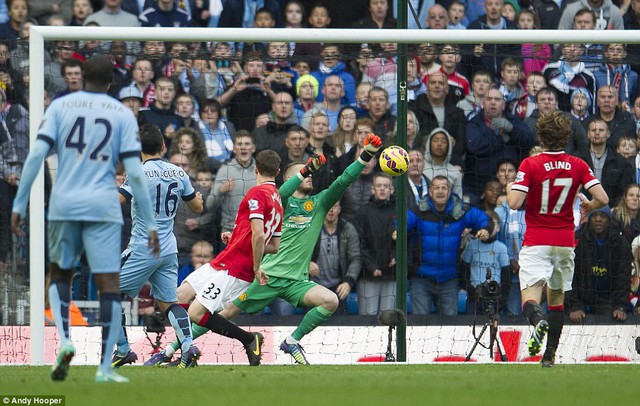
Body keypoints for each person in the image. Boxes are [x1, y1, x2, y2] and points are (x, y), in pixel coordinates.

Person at [10, 54, 160, 382]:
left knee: (60, 274)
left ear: (78, 78)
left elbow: (36, 154)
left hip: (64, 203)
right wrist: (149, 222)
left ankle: (65, 341)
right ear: (110, 82)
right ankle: (105, 367)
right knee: (108, 283)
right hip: (104, 205)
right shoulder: (121, 113)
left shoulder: (61, 106)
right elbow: (135, 174)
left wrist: (19, 204)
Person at [215, 133, 383, 365]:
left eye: (309, 172)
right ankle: (178, 345)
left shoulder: (319, 203)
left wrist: (366, 155)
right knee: (224, 315)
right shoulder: (277, 201)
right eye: (302, 173)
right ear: (288, 178)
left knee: (330, 301)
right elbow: (279, 194)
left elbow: (344, 180)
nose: (309, 175)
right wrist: (306, 169)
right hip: (267, 277)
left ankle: (292, 341)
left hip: (296, 282)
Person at [147, 151, 325, 366]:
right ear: (278, 172)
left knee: (195, 313)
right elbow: (273, 245)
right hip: (225, 259)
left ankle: (247, 339)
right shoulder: (278, 202)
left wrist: (257, 266)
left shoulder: (257, 194)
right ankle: (187, 349)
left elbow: (259, 235)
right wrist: (235, 240)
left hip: (235, 268)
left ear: (255, 169)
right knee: (179, 295)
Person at [506, 110, 609, 367]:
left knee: (529, 298)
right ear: (566, 137)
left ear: (540, 135)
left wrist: (510, 188)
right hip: (564, 242)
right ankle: (549, 357)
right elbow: (604, 199)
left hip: (537, 240)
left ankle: (537, 322)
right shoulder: (578, 164)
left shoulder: (530, 164)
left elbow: (515, 203)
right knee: (557, 302)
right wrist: (589, 206)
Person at [114, 124, 203, 368]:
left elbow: (117, 202)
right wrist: (199, 199)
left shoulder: (137, 172)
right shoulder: (178, 172)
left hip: (144, 247)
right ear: (163, 147)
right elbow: (197, 207)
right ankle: (187, 346)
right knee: (169, 303)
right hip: (169, 248)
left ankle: (123, 350)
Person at [407, 175, 492, 315]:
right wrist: (396, 230)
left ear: (450, 191)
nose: (440, 191)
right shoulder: (418, 210)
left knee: (450, 324)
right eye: (436, 188)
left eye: (444, 188)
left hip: (449, 279)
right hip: (422, 279)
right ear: (430, 190)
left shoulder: (461, 211)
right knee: (419, 324)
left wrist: (485, 229)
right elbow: (402, 222)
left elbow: (484, 219)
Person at [569, 206, 632, 323]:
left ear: (609, 220)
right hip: (580, 297)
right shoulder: (578, 239)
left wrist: (619, 306)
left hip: (607, 299)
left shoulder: (620, 242)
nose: (598, 219)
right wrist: (575, 305)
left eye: (602, 216)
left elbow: (623, 278)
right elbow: (570, 276)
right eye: (594, 216)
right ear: (589, 218)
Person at [309, 201, 362, 315]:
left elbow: (356, 258)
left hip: (337, 288)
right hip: (313, 286)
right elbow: (298, 252)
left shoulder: (348, 229)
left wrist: (348, 282)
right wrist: (306, 264)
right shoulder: (311, 226)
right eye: (328, 206)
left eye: (334, 206)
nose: (331, 210)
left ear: (340, 209)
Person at [355, 172, 397, 315]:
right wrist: (372, 267)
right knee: (367, 321)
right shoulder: (363, 212)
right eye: (378, 186)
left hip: (392, 275)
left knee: (389, 320)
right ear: (372, 189)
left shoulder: (400, 211)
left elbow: (406, 239)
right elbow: (360, 243)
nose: (382, 189)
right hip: (368, 276)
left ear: (392, 189)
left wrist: (395, 256)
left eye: (386, 186)